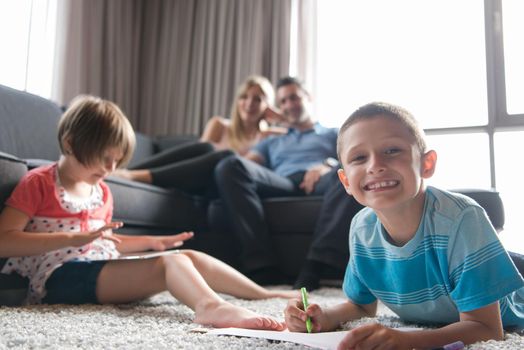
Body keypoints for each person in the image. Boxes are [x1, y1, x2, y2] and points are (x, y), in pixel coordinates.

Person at [0, 95, 298, 330]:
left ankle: (263, 293)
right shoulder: (39, 182)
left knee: (188, 257)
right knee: (169, 266)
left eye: (117, 161)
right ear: (70, 143)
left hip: (96, 267)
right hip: (59, 279)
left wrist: (150, 243)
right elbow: (6, 240)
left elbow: (102, 241)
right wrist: (70, 238)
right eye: (105, 159)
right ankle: (210, 307)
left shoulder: (101, 191)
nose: (112, 169)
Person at [284, 102, 524, 348]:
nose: (375, 165)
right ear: (345, 181)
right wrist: (323, 315)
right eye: (359, 157)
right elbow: (361, 305)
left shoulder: (463, 218)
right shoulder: (361, 229)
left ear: (426, 164)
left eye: (392, 151)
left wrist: (405, 341)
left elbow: (487, 329)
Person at [213, 76, 363, 286]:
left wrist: (327, 164)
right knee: (230, 166)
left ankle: (317, 265)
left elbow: (355, 157)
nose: (288, 105)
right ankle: (262, 267)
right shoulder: (272, 139)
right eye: (282, 101)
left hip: (322, 181)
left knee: (348, 172)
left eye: (293, 98)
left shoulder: (332, 133)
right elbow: (242, 164)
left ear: (308, 97)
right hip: (282, 182)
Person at [113, 75, 285, 195]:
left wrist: (281, 117)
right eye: (244, 97)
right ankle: (127, 172)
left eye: (258, 99)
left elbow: (301, 129)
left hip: (224, 188)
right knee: (207, 147)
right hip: (193, 179)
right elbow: (196, 160)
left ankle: (133, 176)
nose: (249, 103)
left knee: (228, 157)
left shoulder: (269, 136)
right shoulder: (219, 125)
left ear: (267, 106)